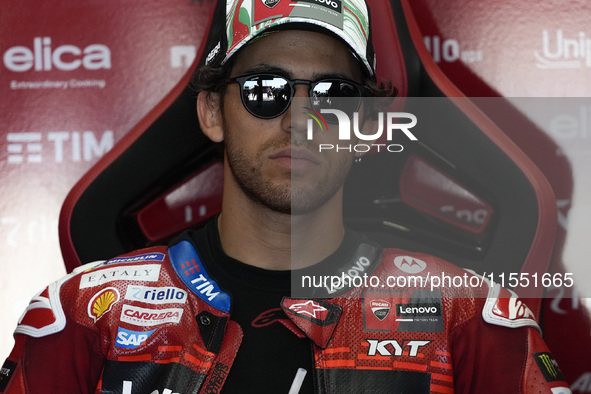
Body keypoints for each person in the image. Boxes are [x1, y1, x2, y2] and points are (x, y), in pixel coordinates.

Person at [0, 0, 572, 393]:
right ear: (211, 112)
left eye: (333, 94)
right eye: (264, 90)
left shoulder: (470, 317)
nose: (301, 121)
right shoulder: (82, 313)